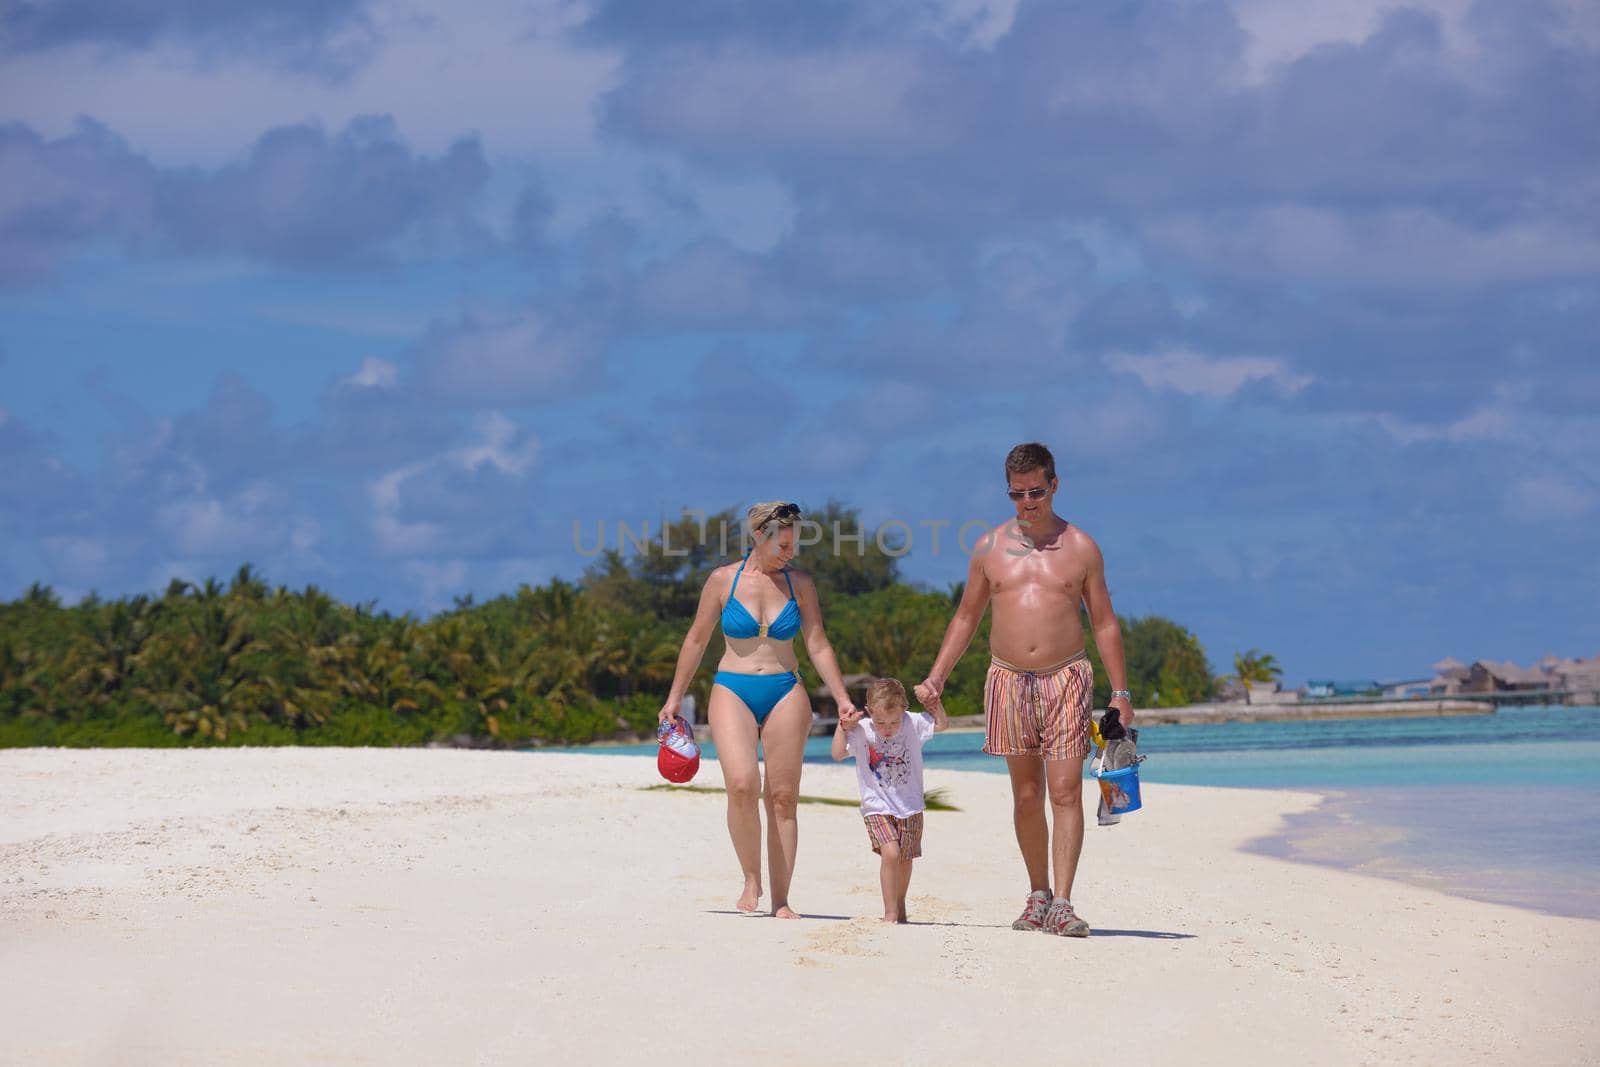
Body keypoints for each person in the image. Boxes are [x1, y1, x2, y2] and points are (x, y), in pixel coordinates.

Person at [915, 442, 1134, 938]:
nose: (1028, 502)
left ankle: (1063, 901)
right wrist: (937, 677)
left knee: (1063, 790)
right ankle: (1037, 894)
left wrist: (1120, 691)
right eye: (1018, 494)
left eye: (1036, 491)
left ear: (1054, 485)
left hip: (1067, 676)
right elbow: (967, 616)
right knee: (1026, 794)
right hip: (1007, 677)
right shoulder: (989, 547)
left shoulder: (1082, 547)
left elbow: (1103, 623)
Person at [658, 501, 860, 918]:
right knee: (743, 785)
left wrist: (842, 698)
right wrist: (674, 697)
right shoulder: (721, 581)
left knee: (783, 797)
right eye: (783, 544)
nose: (791, 552)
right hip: (732, 687)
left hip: (786, 688)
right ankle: (752, 878)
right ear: (759, 537)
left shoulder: (800, 584)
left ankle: (782, 899)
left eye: (795, 544)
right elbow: (696, 640)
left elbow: (817, 643)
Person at [831, 678, 948, 923]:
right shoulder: (861, 729)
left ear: (903, 710)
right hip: (877, 805)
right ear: (870, 711)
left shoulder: (912, 723)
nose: (887, 728)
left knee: (905, 859)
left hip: (911, 805)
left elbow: (942, 725)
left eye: (894, 722)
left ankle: (899, 902)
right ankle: (890, 912)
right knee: (891, 853)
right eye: (881, 722)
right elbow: (837, 753)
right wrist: (843, 727)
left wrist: (935, 706)